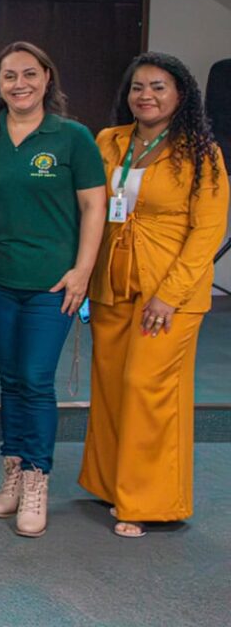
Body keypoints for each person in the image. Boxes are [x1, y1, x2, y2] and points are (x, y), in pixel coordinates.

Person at [80, 53, 227, 538]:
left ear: (181, 95)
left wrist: (170, 294)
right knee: (110, 385)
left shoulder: (201, 153)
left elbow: (208, 232)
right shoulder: (109, 142)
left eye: (159, 87)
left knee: (148, 388)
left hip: (169, 292)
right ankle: (110, 483)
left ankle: (147, 502)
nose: (146, 95)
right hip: (111, 282)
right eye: (138, 86)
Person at [0, 41, 106, 538]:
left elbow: (94, 208)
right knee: (9, 379)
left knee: (35, 378)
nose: (19, 84)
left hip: (54, 283)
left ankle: (37, 480)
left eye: (29, 74)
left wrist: (82, 271)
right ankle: (13, 476)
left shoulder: (73, 138)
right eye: (9, 76)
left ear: (48, 78)